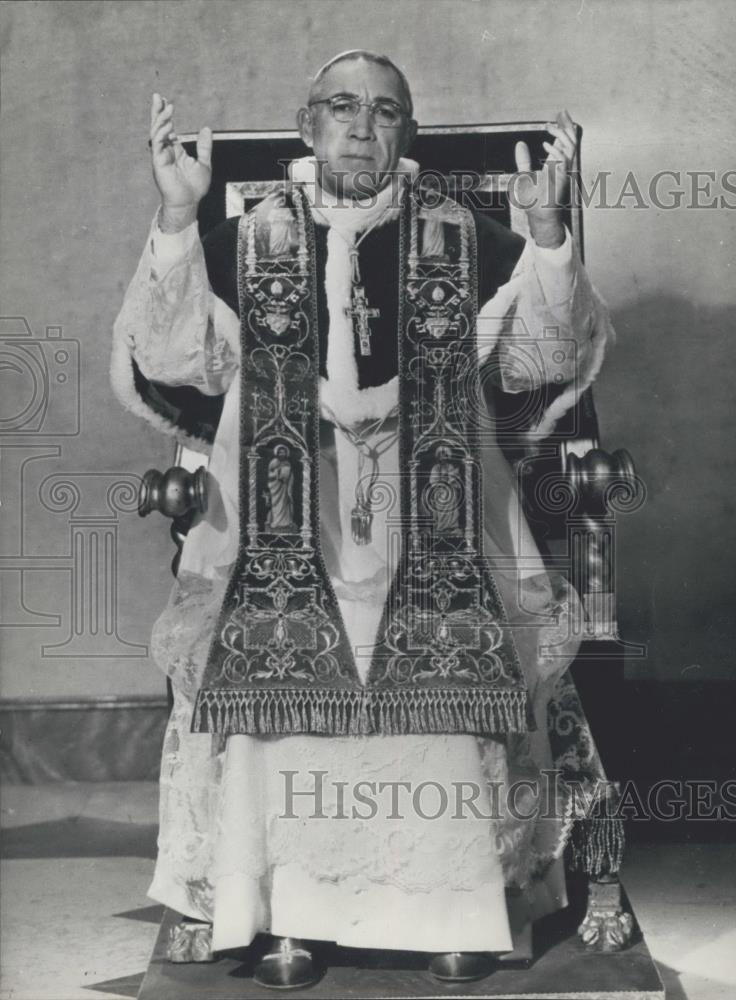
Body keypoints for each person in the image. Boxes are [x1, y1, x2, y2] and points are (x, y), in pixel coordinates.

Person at [111, 50, 612, 987]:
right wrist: (180, 216)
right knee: (271, 649)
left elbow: (539, 362)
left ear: (406, 135)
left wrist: (545, 234)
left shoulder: (463, 236)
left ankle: (456, 906)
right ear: (307, 127)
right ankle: (287, 914)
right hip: (280, 523)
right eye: (341, 107)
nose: (361, 126)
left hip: (445, 517)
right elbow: (176, 363)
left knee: (457, 643)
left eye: (385, 112)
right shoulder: (247, 239)